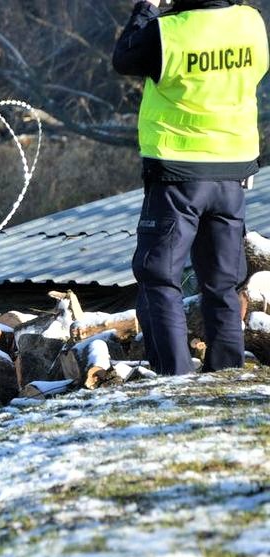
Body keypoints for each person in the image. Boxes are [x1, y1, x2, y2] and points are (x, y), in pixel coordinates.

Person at [113, 0, 269, 375]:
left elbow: (124, 57)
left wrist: (148, 7)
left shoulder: (168, 33)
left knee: (159, 275)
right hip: (233, 170)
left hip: (178, 173)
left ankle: (175, 377)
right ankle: (227, 370)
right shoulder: (250, 23)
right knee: (222, 282)